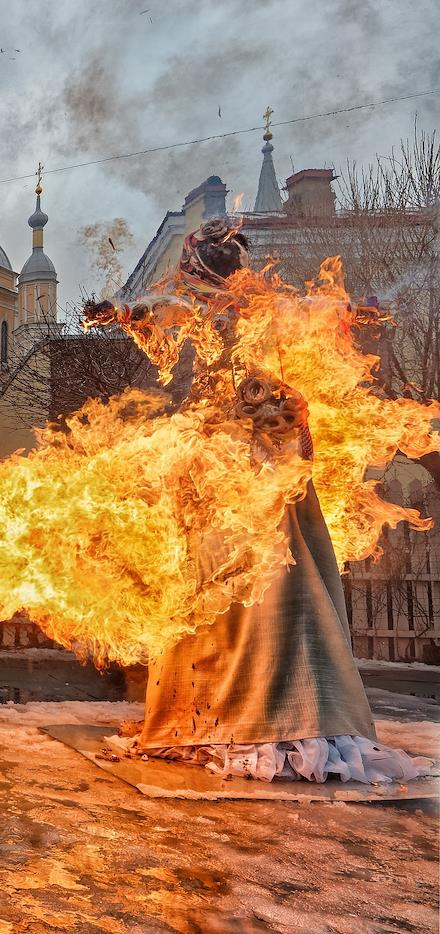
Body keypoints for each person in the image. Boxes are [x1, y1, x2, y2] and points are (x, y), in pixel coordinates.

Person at [109, 220, 426, 783]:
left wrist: (352, 316)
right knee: (208, 588)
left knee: (277, 581)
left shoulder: (263, 304)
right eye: (214, 254)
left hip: (265, 462)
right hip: (211, 460)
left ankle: (284, 711)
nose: (225, 263)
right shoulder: (189, 306)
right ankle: (203, 715)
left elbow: (314, 311)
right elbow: (157, 314)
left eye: (230, 253)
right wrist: (122, 314)